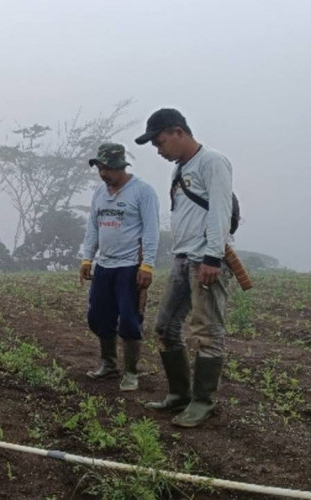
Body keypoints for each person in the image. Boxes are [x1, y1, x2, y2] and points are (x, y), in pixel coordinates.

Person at [135, 108, 233, 428]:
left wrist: (212, 257)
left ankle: (203, 401)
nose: (159, 151)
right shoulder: (179, 169)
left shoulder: (212, 162)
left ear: (178, 132)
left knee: (207, 331)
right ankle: (180, 394)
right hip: (182, 258)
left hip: (205, 259)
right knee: (164, 328)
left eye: (160, 142)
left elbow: (220, 210)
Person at [80, 143, 160, 392]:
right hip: (105, 265)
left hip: (130, 266)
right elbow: (93, 227)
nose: (104, 174)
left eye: (108, 168)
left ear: (121, 167)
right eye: (100, 168)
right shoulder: (99, 194)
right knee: (98, 316)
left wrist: (147, 265)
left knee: (129, 318)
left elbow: (151, 231)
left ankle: (131, 372)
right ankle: (109, 364)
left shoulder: (143, 192)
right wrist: (87, 258)